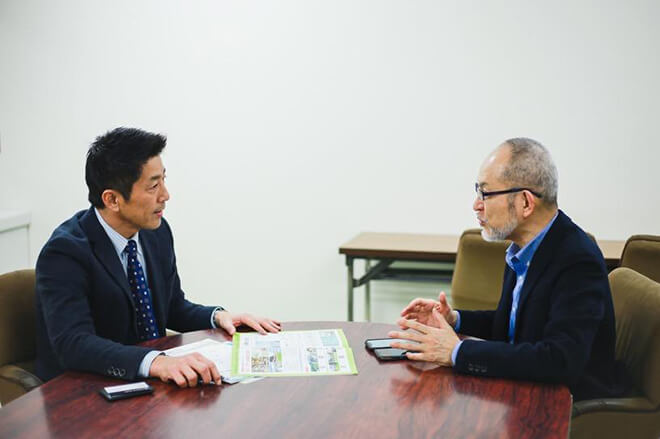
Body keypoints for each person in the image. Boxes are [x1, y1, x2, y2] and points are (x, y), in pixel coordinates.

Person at [35, 127, 281, 387]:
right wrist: (155, 361)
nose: (165, 195)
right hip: (84, 390)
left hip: (148, 384)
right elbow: (74, 344)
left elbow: (171, 307)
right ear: (112, 199)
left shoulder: (156, 232)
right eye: (153, 186)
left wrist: (218, 317)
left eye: (163, 180)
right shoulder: (65, 253)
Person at [388, 138, 627, 401]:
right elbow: (513, 327)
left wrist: (457, 351)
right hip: (524, 388)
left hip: (563, 404)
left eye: (486, 194)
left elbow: (559, 360)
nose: (476, 205)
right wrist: (454, 319)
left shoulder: (576, 260)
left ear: (525, 202)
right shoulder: (523, 249)